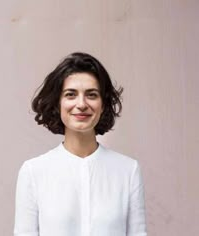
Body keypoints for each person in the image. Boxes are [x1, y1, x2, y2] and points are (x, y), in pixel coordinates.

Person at [14, 52, 147, 236]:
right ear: (57, 103)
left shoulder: (128, 171)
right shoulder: (33, 172)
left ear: (103, 104)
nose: (81, 104)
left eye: (91, 95)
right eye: (70, 95)